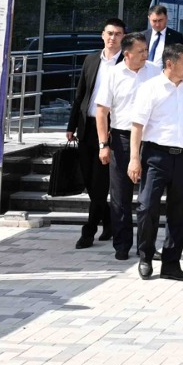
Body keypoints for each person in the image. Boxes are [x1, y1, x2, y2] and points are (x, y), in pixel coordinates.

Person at [128, 44, 183, 281]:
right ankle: (146, 256)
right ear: (170, 64)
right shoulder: (150, 88)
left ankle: (171, 263)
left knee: (180, 212)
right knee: (147, 206)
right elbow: (137, 126)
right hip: (156, 156)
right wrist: (134, 159)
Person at [94, 34, 160, 260]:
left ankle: (146, 246)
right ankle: (122, 244)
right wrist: (103, 144)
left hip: (150, 138)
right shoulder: (113, 74)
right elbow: (101, 112)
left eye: (146, 50)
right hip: (122, 139)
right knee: (120, 196)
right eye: (141, 51)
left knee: (149, 198)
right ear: (127, 54)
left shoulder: (155, 71)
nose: (145, 55)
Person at [65, 18, 125, 250]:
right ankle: (108, 220)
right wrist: (71, 125)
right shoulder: (91, 60)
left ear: (123, 37)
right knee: (90, 182)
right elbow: (80, 94)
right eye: (109, 33)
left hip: (110, 130)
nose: (113, 38)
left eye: (117, 34)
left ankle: (88, 231)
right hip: (86, 127)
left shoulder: (126, 63)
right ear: (102, 35)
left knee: (100, 183)